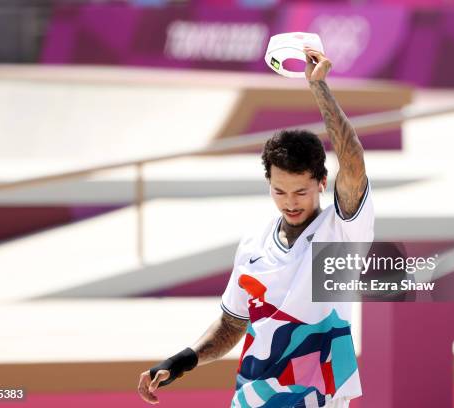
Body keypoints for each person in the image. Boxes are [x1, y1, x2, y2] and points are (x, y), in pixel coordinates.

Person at [138, 46, 373, 408]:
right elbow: (232, 325)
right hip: (252, 398)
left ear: (322, 183)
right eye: (279, 191)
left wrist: (319, 88)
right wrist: (180, 361)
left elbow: (353, 159)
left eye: (301, 191)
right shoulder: (254, 245)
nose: (290, 201)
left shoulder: (341, 233)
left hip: (315, 398)